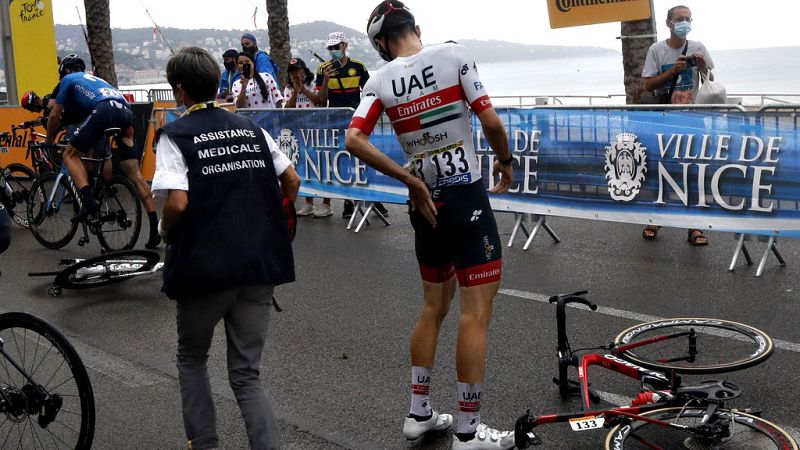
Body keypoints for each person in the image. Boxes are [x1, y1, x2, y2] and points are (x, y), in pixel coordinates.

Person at [346, 2, 515, 449]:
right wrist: (505, 161)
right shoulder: (453, 55)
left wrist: (407, 177)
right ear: (416, 28)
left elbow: (353, 138)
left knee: (432, 309)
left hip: (424, 203)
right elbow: (491, 121)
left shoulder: (379, 80)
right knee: (475, 315)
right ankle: (468, 432)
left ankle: (419, 412)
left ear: (381, 43)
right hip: (466, 200)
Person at [152, 46, 300, 450]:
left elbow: (177, 202)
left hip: (205, 269)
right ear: (217, 81)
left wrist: (165, 230)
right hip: (258, 264)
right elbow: (292, 181)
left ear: (179, 91)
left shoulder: (175, 135)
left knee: (192, 358)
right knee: (247, 374)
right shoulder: (251, 129)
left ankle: (204, 444)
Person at [45, 54, 162, 248]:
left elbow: (54, 114)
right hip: (125, 113)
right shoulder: (96, 79)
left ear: (64, 71)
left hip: (104, 111)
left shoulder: (68, 79)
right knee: (134, 174)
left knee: (69, 155)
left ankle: (89, 200)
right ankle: (153, 227)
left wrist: (49, 140)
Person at [641, 4, 714, 246]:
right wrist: (673, 70)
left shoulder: (698, 47)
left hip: (693, 121)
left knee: (692, 172)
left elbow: (711, 79)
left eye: (688, 18)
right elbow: (648, 85)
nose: (685, 22)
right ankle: (656, 218)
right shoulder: (657, 50)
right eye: (680, 19)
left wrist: (702, 66)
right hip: (664, 120)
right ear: (669, 23)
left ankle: (693, 226)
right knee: (662, 170)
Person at [315, 31, 389, 219]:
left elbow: (369, 92)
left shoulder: (359, 66)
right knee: (342, 161)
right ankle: (348, 201)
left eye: (336, 47)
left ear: (345, 46)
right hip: (334, 123)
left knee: (365, 159)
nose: (333, 51)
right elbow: (321, 101)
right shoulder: (322, 69)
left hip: (357, 122)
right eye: (330, 48)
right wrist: (326, 80)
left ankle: (373, 199)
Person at [283, 57, 332, 217]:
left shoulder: (313, 84)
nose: (296, 74)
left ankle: (326, 204)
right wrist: (296, 92)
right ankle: (309, 203)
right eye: (293, 72)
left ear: (305, 71)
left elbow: (321, 101)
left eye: (299, 70)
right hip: (299, 132)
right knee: (305, 168)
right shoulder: (288, 89)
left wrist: (304, 90)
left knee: (323, 167)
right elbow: (288, 109)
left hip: (317, 130)